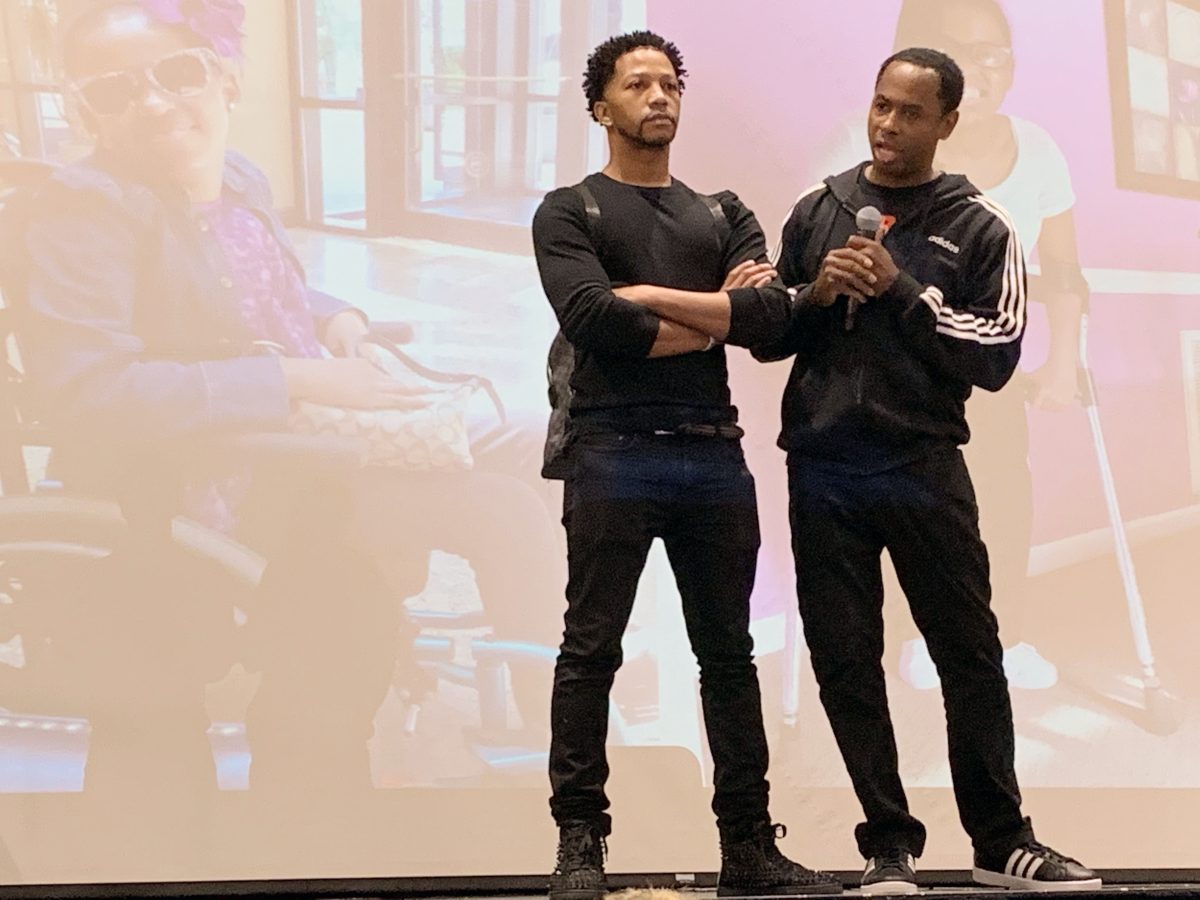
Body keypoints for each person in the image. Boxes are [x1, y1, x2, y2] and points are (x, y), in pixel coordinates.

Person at [18, 0, 563, 806]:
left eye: (178, 73)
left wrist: (336, 319)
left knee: (547, 443)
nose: (155, 102)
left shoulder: (236, 180)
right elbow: (89, 393)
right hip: (229, 468)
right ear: (83, 111)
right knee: (502, 513)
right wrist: (298, 382)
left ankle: (550, 682)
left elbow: (259, 291)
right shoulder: (84, 214)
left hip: (314, 418)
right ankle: (555, 736)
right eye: (115, 89)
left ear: (226, 79)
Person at [752, 48, 1098, 893]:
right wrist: (814, 295)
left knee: (969, 653)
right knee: (846, 660)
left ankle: (1001, 841)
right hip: (824, 470)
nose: (888, 124)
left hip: (923, 465)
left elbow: (997, 353)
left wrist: (902, 291)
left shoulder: (982, 225)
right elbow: (768, 334)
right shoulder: (819, 208)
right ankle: (887, 844)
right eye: (880, 105)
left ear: (947, 123)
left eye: (910, 112)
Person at [531, 30, 840, 900]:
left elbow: (771, 325)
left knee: (729, 656)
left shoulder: (721, 212)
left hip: (712, 451)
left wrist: (653, 298)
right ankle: (580, 846)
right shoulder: (570, 210)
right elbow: (596, 322)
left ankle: (749, 848)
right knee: (591, 650)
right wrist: (716, 317)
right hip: (610, 449)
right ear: (601, 107)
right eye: (637, 84)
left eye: (669, 83)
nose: (658, 96)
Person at [806, 0, 1089, 691]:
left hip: (977, 354)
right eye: (959, 51)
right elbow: (816, 254)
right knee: (910, 503)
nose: (980, 68)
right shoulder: (861, 141)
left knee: (1001, 497)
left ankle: (1005, 632)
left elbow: (1063, 273)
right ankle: (916, 637)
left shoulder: (1037, 151)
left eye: (994, 53)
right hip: (887, 365)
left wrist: (1061, 362)